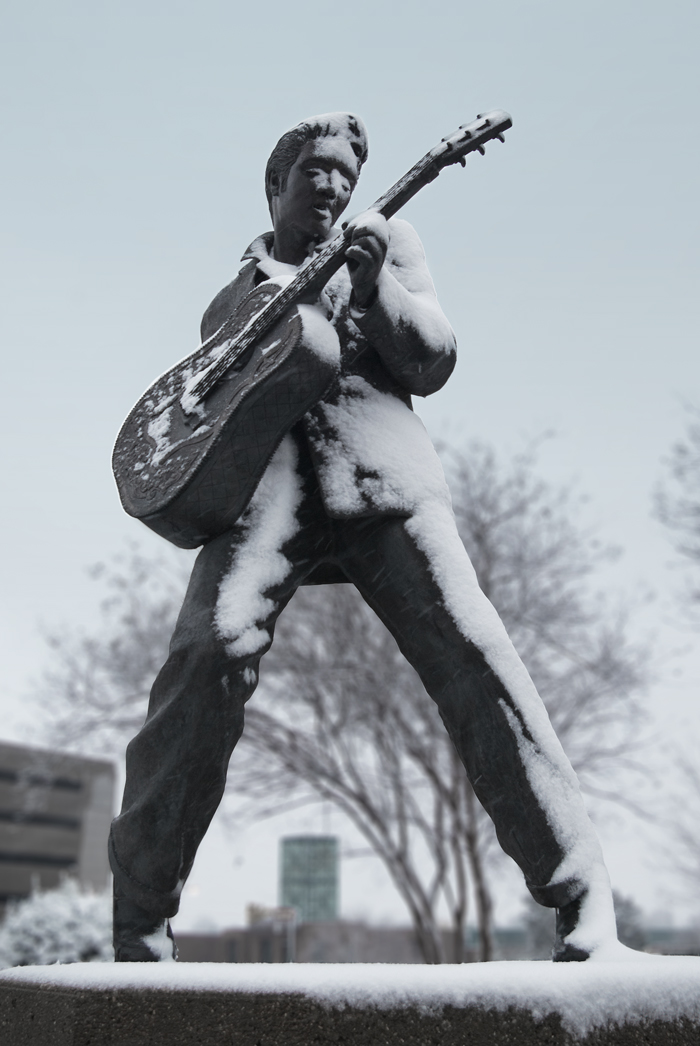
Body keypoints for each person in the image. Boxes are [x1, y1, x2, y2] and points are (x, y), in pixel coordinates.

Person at [110, 112, 620, 962]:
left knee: (475, 656)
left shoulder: (389, 244)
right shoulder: (230, 299)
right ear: (276, 185)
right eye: (316, 170)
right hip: (267, 499)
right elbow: (210, 415)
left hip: (384, 485)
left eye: (346, 176)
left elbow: (433, 358)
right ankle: (138, 927)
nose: (333, 186)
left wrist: (377, 286)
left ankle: (583, 901)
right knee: (201, 662)